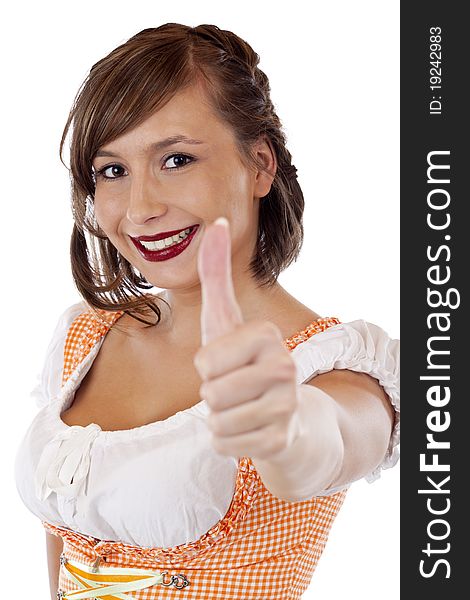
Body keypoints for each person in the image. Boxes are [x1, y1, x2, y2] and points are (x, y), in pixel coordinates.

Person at [14, 23, 400, 600]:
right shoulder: (87, 336)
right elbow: (62, 535)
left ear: (261, 166)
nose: (141, 208)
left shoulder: (331, 366)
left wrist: (284, 423)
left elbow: (330, 445)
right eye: (112, 170)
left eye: (176, 159)